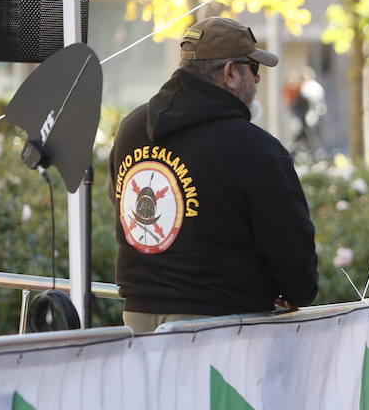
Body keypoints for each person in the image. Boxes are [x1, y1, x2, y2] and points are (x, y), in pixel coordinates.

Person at [108, 16, 317, 334]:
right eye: (254, 69)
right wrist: (295, 292)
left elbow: (123, 205)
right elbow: (291, 252)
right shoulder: (255, 149)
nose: (257, 81)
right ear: (230, 73)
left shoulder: (130, 129)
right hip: (219, 330)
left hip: (137, 317)